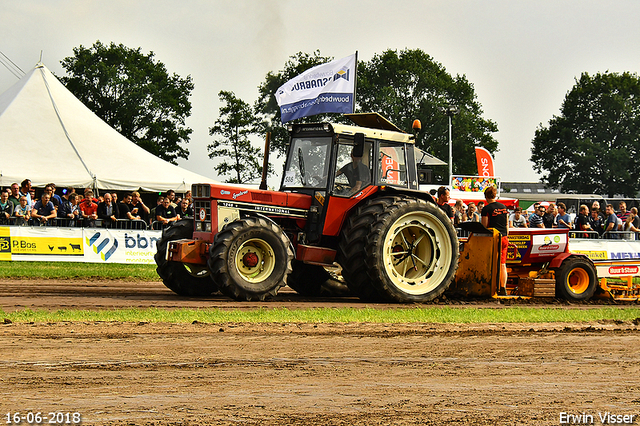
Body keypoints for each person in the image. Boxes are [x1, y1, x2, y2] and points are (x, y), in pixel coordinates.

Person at [481, 186, 509, 295]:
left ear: (486, 197)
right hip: (504, 237)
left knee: (491, 262)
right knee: (502, 264)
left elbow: (485, 226)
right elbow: (506, 224)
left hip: (494, 238)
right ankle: (503, 287)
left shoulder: (486, 209)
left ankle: (492, 286)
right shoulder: (503, 207)